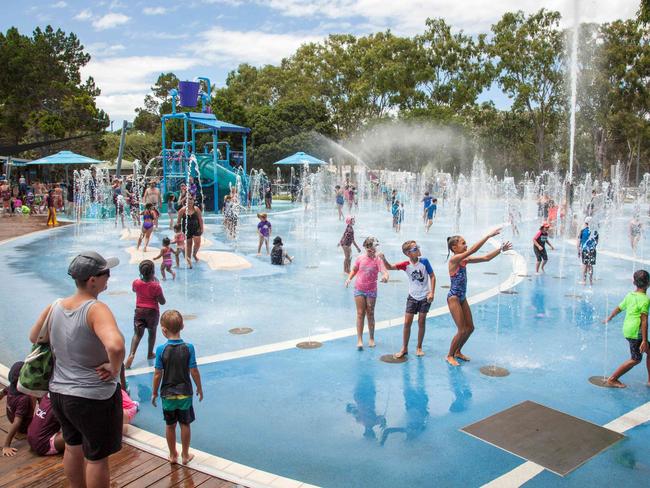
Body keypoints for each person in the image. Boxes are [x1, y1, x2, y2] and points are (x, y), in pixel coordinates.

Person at [28, 251, 124, 486]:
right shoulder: (95, 309)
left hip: (59, 394)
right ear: (92, 280)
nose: (108, 278)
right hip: (92, 397)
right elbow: (116, 346)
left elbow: (34, 336)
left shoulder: (55, 306)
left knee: (73, 446)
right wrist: (114, 367)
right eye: (105, 274)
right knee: (97, 458)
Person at [446, 230, 512, 366]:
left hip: (462, 297)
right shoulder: (454, 260)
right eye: (463, 243)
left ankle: (458, 351)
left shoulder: (464, 260)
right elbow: (472, 250)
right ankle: (449, 355)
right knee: (462, 329)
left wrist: (500, 250)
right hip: (454, 298)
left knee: (470, 328)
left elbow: (486, 258)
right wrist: (487, 236)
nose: (466, 245)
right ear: (454, 248)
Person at [151, 310, 203, 465]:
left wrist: (154, 392)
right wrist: (199, 388)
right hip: (185, 394)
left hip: (167, 394)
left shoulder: (161, 350)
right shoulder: (189, 348)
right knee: (185, 424)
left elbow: (157, 374)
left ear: (164, 330)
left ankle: (173, 455)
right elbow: (193, 370)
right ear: (183, 326)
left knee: (170, 425)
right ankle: (185, 455)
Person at [380, 241, 436, 358]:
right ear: (408, 253)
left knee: (421, 321)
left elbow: (432, 276)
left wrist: (432, 292)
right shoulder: (406, 264)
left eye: (418, 247)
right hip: (412, 297)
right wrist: (384, 259)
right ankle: (404, 348)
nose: (418, 249)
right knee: (407, 323)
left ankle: (419, 347)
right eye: (415, 248)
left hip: (425, 297)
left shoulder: (424, 262)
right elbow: (389, 267)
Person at [602, 270, 650, 388]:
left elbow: (619, 308)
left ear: (634, 282)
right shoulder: (645, 299)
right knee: (636, 359)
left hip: (628, 329)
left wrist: (610, 317)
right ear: (648, 283)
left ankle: (649, 380)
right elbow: (644, 321)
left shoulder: (630, 295)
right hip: (636, 333)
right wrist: (644, 340)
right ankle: (612, 379)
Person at [345, 237, 389, 350]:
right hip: (359, 289)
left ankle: (371, 338)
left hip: (371, 290)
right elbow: (354, 270)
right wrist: (349, 278)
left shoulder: (378, 260)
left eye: (373, 250)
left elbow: (384, 272)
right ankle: (359, 339)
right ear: (365, 248)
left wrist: (385, 277)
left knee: (370, 313)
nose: (372, 252)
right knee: (360, 314)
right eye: (369, 250)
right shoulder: (360, 258)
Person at [125, 260, 166, 369]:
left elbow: (134, 290)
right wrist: (156, 287)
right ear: (153, 272)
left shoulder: (136, 283)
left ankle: (131, 354)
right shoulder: (156, 286)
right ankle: (150, 353)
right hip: (152, 312)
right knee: (152, 333)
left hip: (139, 311)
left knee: (137, 334)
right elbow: (162, 302)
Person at [2, 361, 34, 457]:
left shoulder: (10, 387)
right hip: (23, 426)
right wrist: (6, 445)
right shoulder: (23, 399)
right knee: (34, 395)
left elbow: (1, 394)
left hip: (10, 416)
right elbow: (17, 423)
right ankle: (24, 431)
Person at [177, 195, 204, 268]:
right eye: (188, 201)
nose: (189, 202)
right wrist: (179, 232)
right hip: (187, 229)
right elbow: (178, 222)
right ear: (185, 202)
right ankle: (189, 260)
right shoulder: (182, 210)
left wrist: (202, 228)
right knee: (189, 244)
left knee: (197, 243)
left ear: (193, 201)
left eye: (191, 200)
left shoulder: (196, 209)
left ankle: (194, 254)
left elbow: (200, 219)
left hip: (196, 228)